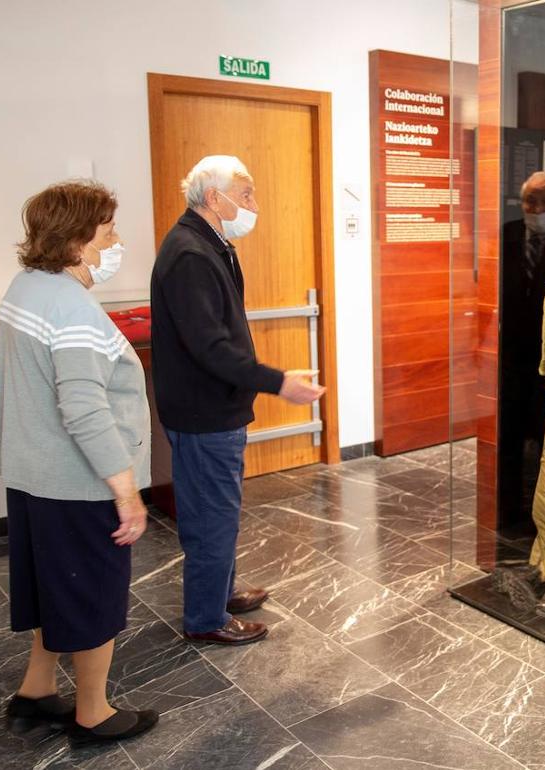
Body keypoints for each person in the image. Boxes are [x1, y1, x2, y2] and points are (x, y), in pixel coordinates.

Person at [0, 180, 158, 746]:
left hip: (32, 476)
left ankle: (35, 692)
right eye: (108, 231)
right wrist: (126, 492)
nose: (116, 241)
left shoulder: (27, 286)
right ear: (78, 242)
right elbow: (83, 409)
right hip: (77, 482)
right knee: (92, 597)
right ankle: (93, 714)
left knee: (56, 589)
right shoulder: (73, 309)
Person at [150, 155, 325, 646]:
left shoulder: (211, 245)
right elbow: (211, 348)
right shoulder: (190, 254)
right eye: (245, 196)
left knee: (216, 510)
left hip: (212, 408)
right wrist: (278, 382)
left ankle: (219, 591)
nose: (253, 206)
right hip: (204, 412)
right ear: (215, 198)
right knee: (212, 515)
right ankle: (206, 618)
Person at [497, 171, 545, 529]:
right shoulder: (506, 235)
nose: (536, 208)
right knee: (507, 439)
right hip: (510, 359)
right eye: (530, 201)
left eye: (544, 202)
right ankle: (506, 509)